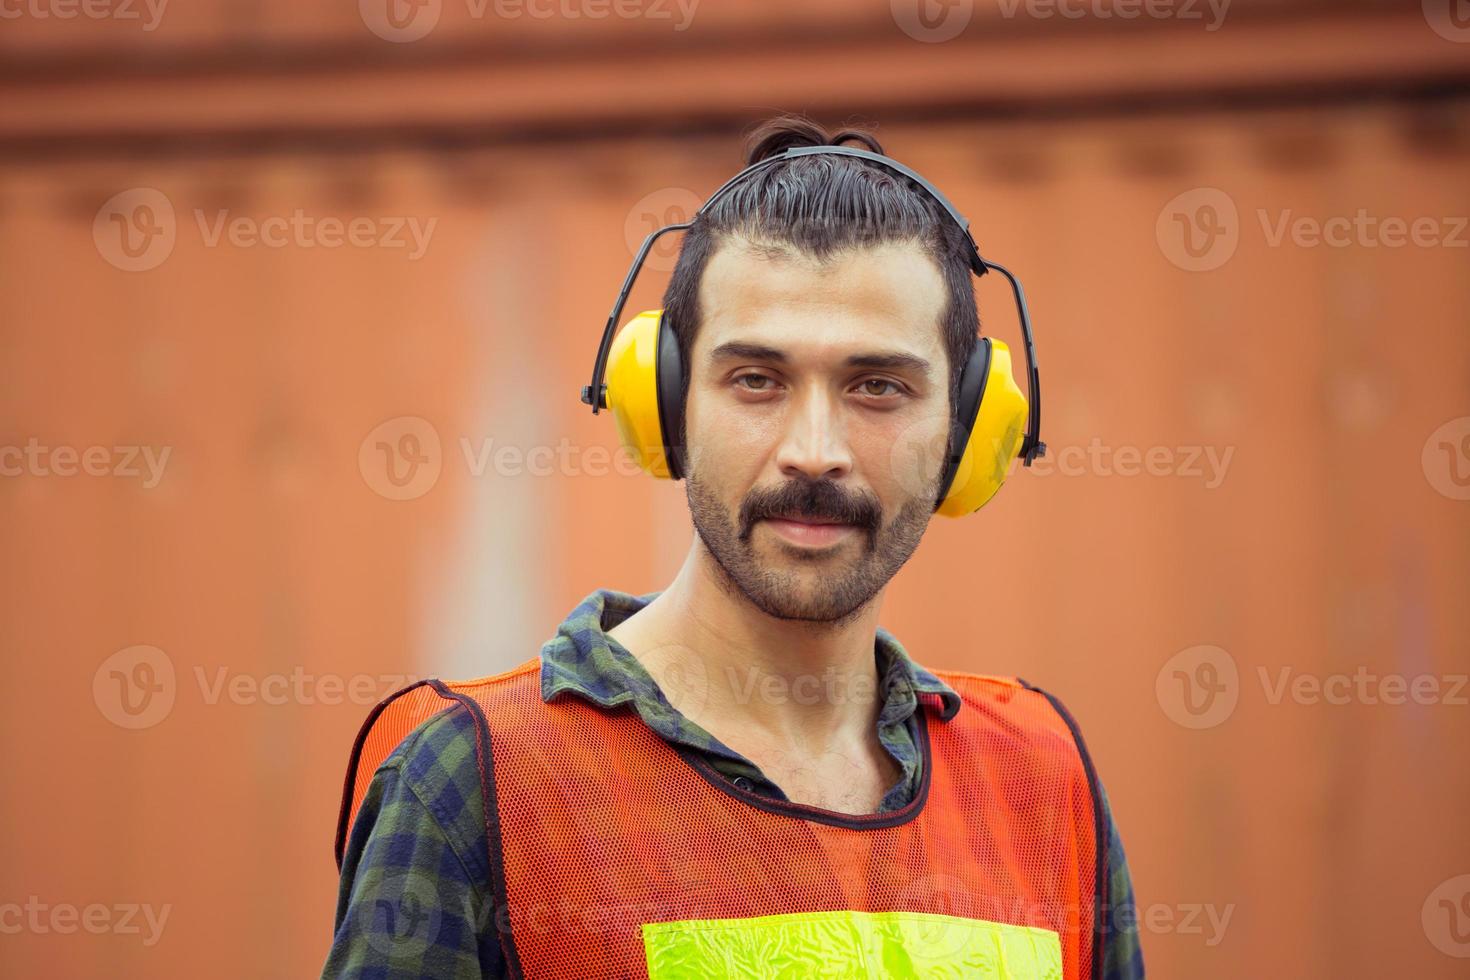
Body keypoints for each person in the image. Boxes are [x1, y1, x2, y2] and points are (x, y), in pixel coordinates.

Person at [322, 113, 1144, 979]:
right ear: (667, 405)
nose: (814, 449)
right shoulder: (473, 783)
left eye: (879, 386)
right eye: (757, 380)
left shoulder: (1043, 786)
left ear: (968, 429)